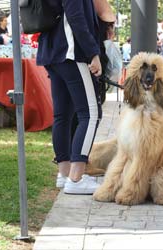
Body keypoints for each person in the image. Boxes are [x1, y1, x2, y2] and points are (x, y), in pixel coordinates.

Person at [36, 0, 102, 194]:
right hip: (71, 52)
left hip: (53, 51)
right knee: (90, 114)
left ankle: (65, 174)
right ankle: (76, 178)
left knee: (63, 116)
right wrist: (93, 53)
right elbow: (76, 16)